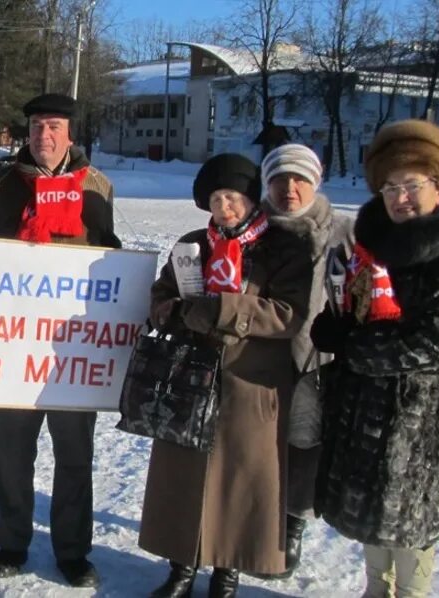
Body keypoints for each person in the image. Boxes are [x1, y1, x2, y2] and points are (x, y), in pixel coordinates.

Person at [141, 153, 313, 597]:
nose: (226, 208)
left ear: (252, 200)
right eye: (217, 199)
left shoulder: (282, 248)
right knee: (185, 477)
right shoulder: (193, 243)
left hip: (252, 382)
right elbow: (162, 294)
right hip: (191, 379)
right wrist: (173, 311)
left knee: (239, 483)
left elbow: (288, 314)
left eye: (233, 198)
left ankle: (226, 573)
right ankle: (181, 568)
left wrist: (221, 309)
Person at [0, 93, 120, 588]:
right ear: (27, 134)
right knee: (13, 451)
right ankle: (11, 542)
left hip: (72, 348)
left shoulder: (97, 187)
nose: (45, 136)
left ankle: (73, 551)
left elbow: (107, 261)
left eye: (54, 126)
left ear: (69, 134)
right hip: (15, 345)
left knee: (74, 454)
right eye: (37, 127)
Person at [309, 119, 439, 598]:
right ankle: (375, 590)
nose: (399, 197)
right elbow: (359, 306)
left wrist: (353, 347)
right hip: (366, 413)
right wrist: (338, 325)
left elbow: (435, 341)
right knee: (371, 518)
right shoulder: (371, 244)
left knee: (410, 527)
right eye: (389, 186)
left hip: (424, 419)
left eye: (412, 184)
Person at [254, 143, 353, 579]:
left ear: (316, 182)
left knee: (304, 442)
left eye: (299, 179)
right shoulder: (252, 227)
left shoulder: (345, 232)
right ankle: (251, 521)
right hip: (256, 352)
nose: (289, 189)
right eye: (278, 179)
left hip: (317, 356)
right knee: (254, 444)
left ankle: (291, 526)